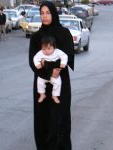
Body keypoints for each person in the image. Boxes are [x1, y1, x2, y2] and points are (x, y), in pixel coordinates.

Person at [29, 1, 74, 150]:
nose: (44, 16)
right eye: (42, 13)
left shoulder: (64, 34)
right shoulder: (36, 37)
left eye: (48, 12)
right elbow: (32, 62)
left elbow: (66, 58)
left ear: (54, 13)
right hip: (41, 84)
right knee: (43, 120)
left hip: (60, 85)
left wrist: (48, 66)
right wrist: (50, 70)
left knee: (59, 119)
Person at [33, 35, 68, 104]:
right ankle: (42, 94)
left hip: (54, 74)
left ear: (54, 47)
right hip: (44, 73)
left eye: (49, 49)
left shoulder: (57, 52)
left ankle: (55, 95)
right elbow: (35, 58)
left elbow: (64, 56)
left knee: (58, 83)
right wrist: (37, 64)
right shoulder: (40, 53)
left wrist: (63, 63)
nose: (46, 51)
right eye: (44, 49)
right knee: (39, 82)